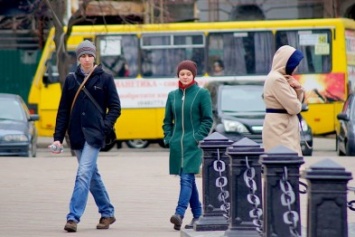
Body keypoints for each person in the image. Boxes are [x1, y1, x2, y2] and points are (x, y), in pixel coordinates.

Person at [50, 40, 121, 232]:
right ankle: (107, 212)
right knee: (91, 175)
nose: (87, 59)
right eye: (83, 56)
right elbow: (63, 110)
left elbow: (115, 107)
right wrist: (57, 137)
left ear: (94, 57)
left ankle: (73, 217)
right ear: (78, 58)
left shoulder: (105, 78)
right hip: (77, 136)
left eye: (89, 55)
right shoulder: (71, 80)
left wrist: (104, 126)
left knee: (83, 174)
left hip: (94, 136)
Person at [162, 60, 213, 231]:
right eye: (182, 74)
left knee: (186, 178)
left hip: (193, 146)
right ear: (178, 75)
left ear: (193, 76)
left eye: (188, 74)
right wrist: (169, 138)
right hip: (177, 145)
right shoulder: (172, 96)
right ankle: (198, 215)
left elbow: (208, 120)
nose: (185, 76)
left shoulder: (202, 94)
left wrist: (197, 137)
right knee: (188, 180)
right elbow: (167, 121)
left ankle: (179, 213)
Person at [262, 45, 305, 156]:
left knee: (289, 165)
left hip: (283, 127)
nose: (296, 68)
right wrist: (298, 94)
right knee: (285, 164)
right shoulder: (277, 79)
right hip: (281, 129)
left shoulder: (281, 78)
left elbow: (295, 103)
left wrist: (298, 88)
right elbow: (294, 107)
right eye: (294, 64)